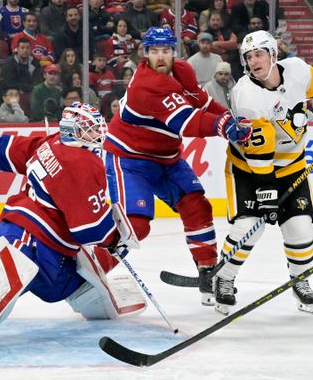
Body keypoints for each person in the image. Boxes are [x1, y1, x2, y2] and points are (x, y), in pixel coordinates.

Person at [0, 103, 143, 351]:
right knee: (7, 276)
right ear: (73, 130)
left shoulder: (52, 143)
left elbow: (11, 150)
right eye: (89, 130)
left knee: (59, 286)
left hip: (42, 246)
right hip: (29, 238)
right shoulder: (85, 163)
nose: (97, 135)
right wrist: (115, 240)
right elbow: (89, 230)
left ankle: (91, 296)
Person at [102, 27, 252, 305]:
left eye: (166, 51)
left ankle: (207, 272)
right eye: (155, 51)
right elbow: (188, 121)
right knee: (135, 225)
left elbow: (202, 103)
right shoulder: (147, 84)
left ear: (175, 52)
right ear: (144, 54)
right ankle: (94, 266)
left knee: (197, 205)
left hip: (166, 158)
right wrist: (224, 126)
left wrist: (233, 119)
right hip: (130, 158)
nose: (161, 57)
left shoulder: (182, 71)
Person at [211, 30, 313, 315]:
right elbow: (259, 157)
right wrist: (267, 195)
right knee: (248, 228)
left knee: (299, 228)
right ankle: (223, 279)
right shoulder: (245, 95)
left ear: (274, 54)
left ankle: (300, 281)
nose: (253, 61)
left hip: (292, 166)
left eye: (259, 54)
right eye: (248, 57)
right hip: (248, 169)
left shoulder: (297, 70)